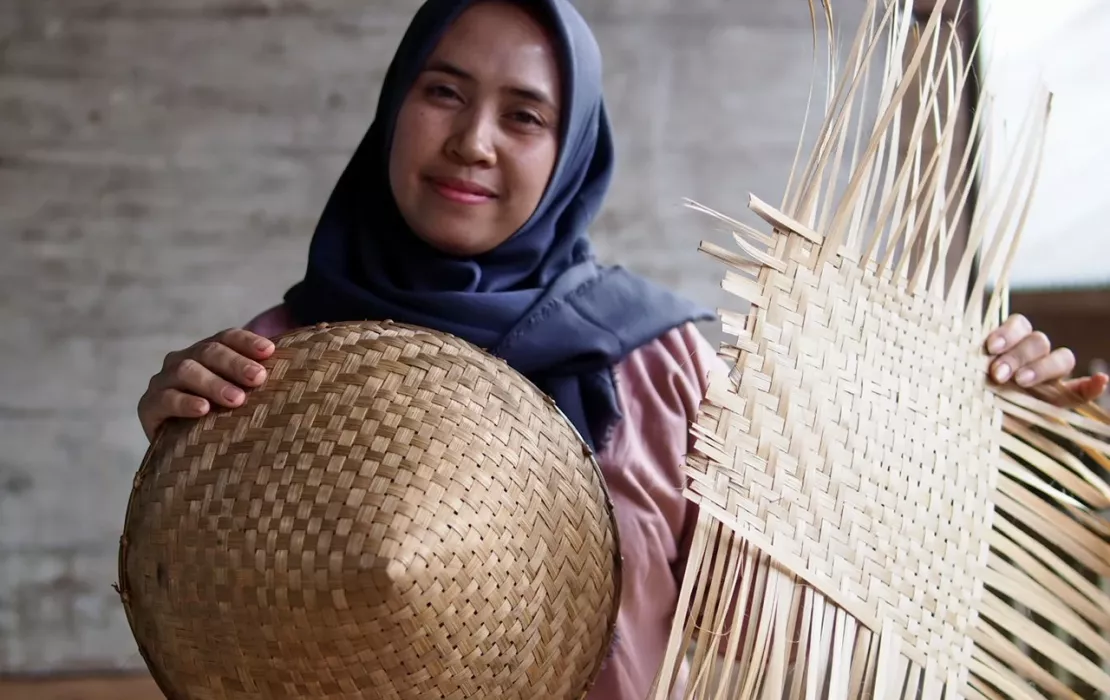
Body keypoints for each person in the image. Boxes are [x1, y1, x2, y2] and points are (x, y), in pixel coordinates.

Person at [135, 0, 1109, 697]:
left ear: (572, 153)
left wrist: (979, 419)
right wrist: (182, 462)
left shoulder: (659, 364)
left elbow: (775, 618)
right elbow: (216, 613)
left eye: (525, 115)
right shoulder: (278, 364)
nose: (473, 140)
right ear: (394, 108)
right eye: (442, 92)